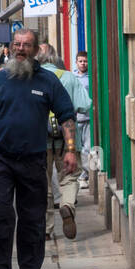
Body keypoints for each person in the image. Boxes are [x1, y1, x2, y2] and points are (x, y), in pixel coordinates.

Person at [0, 30, 77, 269]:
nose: (20, 49)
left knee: (32, 218)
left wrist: (70, 150)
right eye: (16, 44)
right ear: (10, 46)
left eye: (26, 45)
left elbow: (66, 118)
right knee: (1, 215)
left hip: (33, 160)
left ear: (36, 49)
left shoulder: (48, 81)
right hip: (1, 158)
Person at [39, 50, 90, 239]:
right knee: (69, 178)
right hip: (67, 139)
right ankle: (67, 205)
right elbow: (85, 105)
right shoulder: (70, 77)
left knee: (43, 184)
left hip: (40, 141)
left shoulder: (35, 78)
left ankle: (45, 229)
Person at [72, 52, 92, 184]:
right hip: (75, 117)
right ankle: (81, 173)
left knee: (88, 147)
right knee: (77, 148)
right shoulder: (72, 78)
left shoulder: (91, 78)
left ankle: (87, 173)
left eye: (85, 61)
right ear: (76, 62)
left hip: (89, 117)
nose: (83, 63)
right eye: (80, 61)